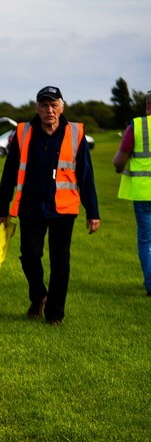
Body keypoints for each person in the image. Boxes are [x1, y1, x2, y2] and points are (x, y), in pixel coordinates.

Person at [0, 86, 101, 325]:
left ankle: (55, 314)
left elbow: (86, 175)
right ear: (37, 108)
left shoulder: (75, 134)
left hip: (63, 209)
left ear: (62, 107)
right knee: (29, 256)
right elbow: (9, 174)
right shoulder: (23, 133)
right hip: (30, 207)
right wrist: (1, 209)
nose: (49, 110)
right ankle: (39, 294)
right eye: (44, 105)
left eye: (53, 105)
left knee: (60, 262)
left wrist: (93, 212)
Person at [112, 91, 151, 296]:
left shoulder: (137, 126)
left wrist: (119, 168)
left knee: (146, 240)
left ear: (147, 105)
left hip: (143, 192)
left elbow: (119, 161)